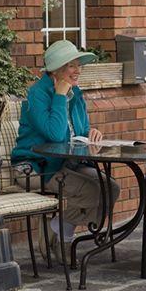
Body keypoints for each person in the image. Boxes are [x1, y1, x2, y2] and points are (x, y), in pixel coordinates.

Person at [12, 40, 120, 264]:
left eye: (78, 65)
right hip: (35, 167)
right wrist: (59, 96)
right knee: (90, 192)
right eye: (72, 65)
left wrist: (92, 132)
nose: (78, 70)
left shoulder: (76, 93)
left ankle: (57, 227)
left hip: (66, 164)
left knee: (111, 188)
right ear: (56, 69)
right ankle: (63, 236)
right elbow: (54, 135)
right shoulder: (38, 95)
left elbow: (78, 132)